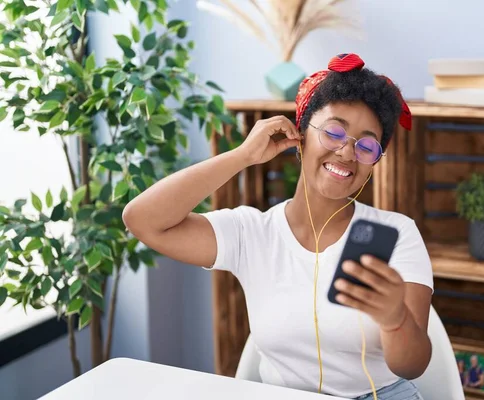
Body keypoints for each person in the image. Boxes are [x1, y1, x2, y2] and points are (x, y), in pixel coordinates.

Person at [123, 53, 434, 400]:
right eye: (334, 131)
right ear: (299, 134)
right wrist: (242, 155)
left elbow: (413, 365)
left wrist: (395, 319)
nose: (347, 152)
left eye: (366, 145)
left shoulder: (398, 234)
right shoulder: (249, 233)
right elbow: (142, 220)